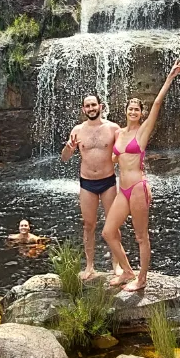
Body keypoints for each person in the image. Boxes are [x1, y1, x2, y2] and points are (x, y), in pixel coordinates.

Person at [103, 59, 180, 292]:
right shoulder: (118, 133)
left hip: (138, 187)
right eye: (130, 109)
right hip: (123, 190)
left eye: (137, 110)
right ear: (126, 111)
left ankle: (142, 279)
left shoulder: (143, 131)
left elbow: (157, 103)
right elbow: (114, 157)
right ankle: (128, 271)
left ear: (141, 113)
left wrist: (170, 77)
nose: (133, 112)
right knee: (108, 232)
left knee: (141, 236)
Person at [61, 94, 133, 281]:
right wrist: (69, 148)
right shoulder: (77, 130)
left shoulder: (113, 128)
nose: (91, 108)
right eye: (87, 106)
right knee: (88, 225)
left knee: (113, 224)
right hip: (87, 182)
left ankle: (116, 264)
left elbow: (123, 153)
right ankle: (90, 266)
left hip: (108, 181)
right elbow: (65, 158)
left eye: (94, 105)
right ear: (83, 109)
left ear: (101, 106)